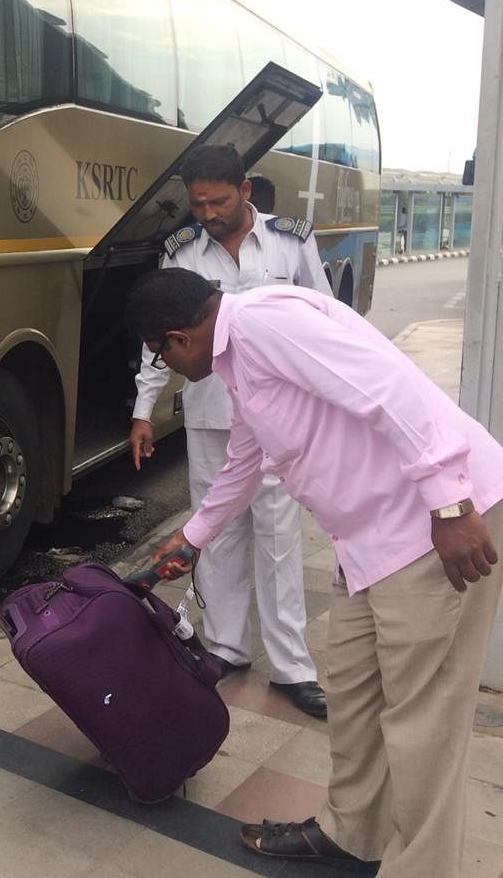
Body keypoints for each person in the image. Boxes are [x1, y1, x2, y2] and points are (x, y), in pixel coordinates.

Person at [128, 267, 503, 877]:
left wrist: (449, 501)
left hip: (430, 529)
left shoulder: (263, 325)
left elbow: (386, 386)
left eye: (161, 356)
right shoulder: (238, 359)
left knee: (422, 719)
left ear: (176, 338)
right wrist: (190, 538)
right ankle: (354, 832)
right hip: (371, 543)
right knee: (354, 685)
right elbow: (246, 458)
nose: (170, 369)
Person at [129, 144, 329, 718]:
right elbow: (159, 332)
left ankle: (292, 666)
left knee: (277, 535)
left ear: (245, 189)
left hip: (277, 418)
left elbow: (322, 318)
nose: (208, 213)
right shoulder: (182, 251)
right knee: (214, 532)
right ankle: (226, 647)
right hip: (212, 411)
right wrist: (144, 409)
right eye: (197, 204)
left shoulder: (291, 240)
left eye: (218, 200)